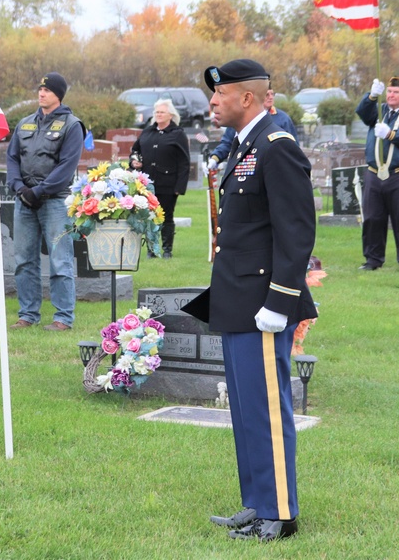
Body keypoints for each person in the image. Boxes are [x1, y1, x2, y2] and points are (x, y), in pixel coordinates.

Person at [182, 59, 316, 542]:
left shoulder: (276, 147)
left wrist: (280, 301)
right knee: (244, 409)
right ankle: (257, 503)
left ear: (248, 99)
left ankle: (280, 513)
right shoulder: (246, 145)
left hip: (264, 303)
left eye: (220, 95)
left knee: (266, 409)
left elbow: (296, 231)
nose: (212, 102)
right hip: (238, 297)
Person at [6, 71, 85, 331]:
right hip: (24, 201)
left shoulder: (72, 125)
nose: (41, 93)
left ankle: (63, 318)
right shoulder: (25, 123)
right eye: (40, 89)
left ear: (58, 95)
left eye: (48, 90)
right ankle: (28, 314)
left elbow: (66, 167)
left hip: (54, 202)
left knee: (59, 260)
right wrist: (18, 187)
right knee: (24, 261)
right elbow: (12, 157)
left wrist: (38, 191)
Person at [355, 76, 399, 276]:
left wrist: (391, 134)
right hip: (374, 173)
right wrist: (371, 97)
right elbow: (363, 114)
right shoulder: (380, 111)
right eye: (388, 91)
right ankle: (373, 259)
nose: (391, 95)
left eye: (395, 92)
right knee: (372, 218)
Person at [129, 99, 190, 258]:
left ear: (170, 114)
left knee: (166, 216)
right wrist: (134, 161)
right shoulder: (147, 131)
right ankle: (151, 249)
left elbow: (184, 162)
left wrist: (179, 187)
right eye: (156, 112)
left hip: (168, 184)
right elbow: (135, 150)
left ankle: (167, 249)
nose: (158, 115)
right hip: (147, 184)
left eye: (162, 112)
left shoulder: (178, 134)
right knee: (150, 216)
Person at [207, 88, 296, 170]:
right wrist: (215, 158)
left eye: (272, 94)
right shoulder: (242, 117)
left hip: (274, 167)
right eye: (267, 94)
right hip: (246, 168)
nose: (270, 97)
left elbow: (293, 146)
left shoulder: (283, 119)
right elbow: (228, 142)